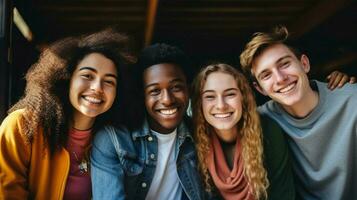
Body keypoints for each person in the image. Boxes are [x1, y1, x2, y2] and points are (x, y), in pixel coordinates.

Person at [0, 28, 136, 199]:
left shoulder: (117, 139)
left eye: (109, 81)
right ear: (66, 79)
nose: (97, 88)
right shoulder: (21, 125)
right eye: (87, 75)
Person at [240, 26, 357, 199]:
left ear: (304, 64)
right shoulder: (261, 119)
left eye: (285, 64)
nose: (280, 78)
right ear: (260, 89)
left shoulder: (352, 100)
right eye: (266, 75)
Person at [91, 43, 205, 200]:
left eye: (176, 87)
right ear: (142, 96)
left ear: (188, 89)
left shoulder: (200, 135)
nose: (167, 100)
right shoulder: (113, 140)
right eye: (155, 91)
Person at [192, 63, 295, 200]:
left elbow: (283, 195)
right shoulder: (193, 138)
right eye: (210, 97)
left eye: (230, 94)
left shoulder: (268, 131)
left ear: (243, 98)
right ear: (199, 103)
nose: (221, 105)